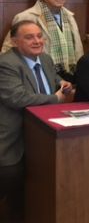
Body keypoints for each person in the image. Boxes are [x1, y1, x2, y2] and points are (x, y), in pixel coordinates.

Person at [0, 21, 72, 220]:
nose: (37, 41)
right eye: (29, 37)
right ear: (15, 42)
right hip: (15, 136)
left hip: (44, 133)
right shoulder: (6, 64)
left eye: (39, 36)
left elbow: (52, 77)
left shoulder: (45, 59)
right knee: (12, 178)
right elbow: (18, 98)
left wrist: (62, 83)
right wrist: (55, 98)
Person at [1, 0, 83, 80]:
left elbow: (78, 48)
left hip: (70, 74)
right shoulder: (27, 17)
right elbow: (9, 48)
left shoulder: (69, 16)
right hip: (39, 76)